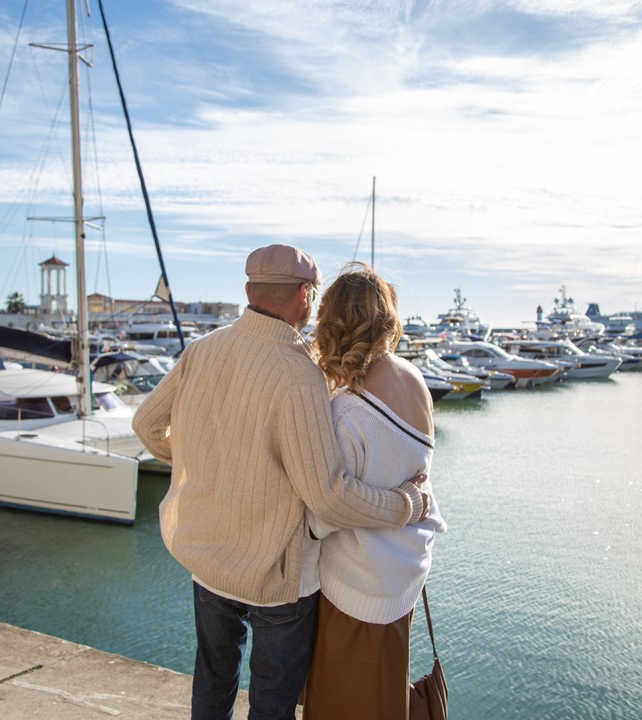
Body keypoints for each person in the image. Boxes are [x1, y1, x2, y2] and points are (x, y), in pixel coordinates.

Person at [132, 244, 429, 720]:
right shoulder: (299, 374)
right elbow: (327, 497)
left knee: (212, 681)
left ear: (249, 290)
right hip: (277, 578)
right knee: (272, 705)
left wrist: (203, 464)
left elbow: (146, 425)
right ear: (305, 295)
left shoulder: (202, 349)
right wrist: (406, 505)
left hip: (208, 560)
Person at [303, 263, 447, 720]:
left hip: (358, 583)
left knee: (340, 705)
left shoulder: (346, 411)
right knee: (383, 696)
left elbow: (323, 514)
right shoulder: (415, 380)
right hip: (405, 572)